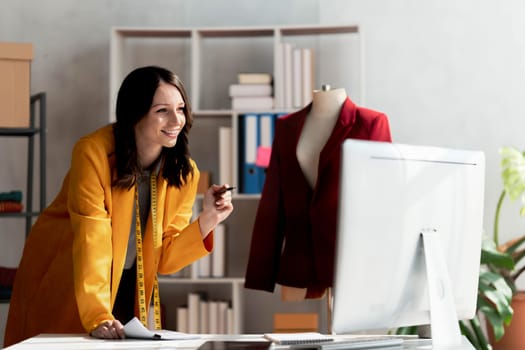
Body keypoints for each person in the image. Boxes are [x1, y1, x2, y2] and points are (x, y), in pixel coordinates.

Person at [3, 66, 234, 347]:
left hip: (125, 283)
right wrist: (98, 314)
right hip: (70, 276)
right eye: (162, 110)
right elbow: (93, 239)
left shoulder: (184, 173)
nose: (177, 120)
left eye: (181, 109)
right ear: (135, 113)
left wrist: (209, 218)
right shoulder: (93, 153)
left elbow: (167, 258)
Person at [244, 86, 391, 301]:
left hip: (350, 263)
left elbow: (383, 200)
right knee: (302, 333)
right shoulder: (287, 126)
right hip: (299, 264)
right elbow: (273, 201)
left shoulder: (370, 123)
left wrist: (381, 266)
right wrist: (261, 272)